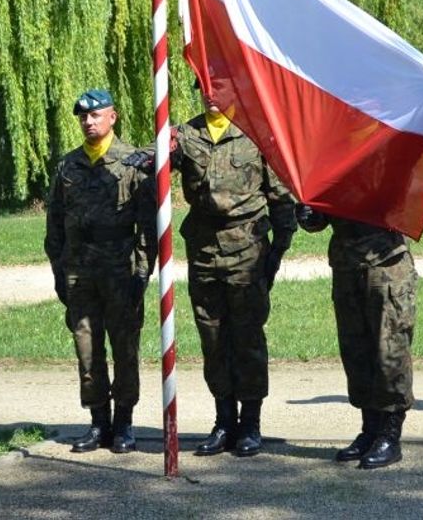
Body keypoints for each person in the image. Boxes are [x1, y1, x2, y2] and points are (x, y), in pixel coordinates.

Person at [126, 83, 296, 457]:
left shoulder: (256, 135)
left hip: (247, 252)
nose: (211, 95)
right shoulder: (188, 134)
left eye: (219, 88)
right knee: (213, 339)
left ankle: (250, 423)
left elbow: (280, 198)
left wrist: (277, 251)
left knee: (247, 337)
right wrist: (153, 153)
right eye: (204, 88)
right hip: (204, 252)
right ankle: (224, 421)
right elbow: (158, 152)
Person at [45, 88, 155, 454]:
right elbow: (55, 226)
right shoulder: (67, 166)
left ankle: (124, 423)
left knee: (125, 349)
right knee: (87, 350)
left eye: (96, 115)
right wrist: (60, 272)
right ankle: (98, 423)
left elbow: (148, 227)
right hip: (80, 273)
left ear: (113, 117)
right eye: (83, 117)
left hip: (120, 272)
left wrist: (141, 272)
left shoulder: (134, 164)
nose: (89, 122)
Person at [294, 206, 417, 469]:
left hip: (386, 261)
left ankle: (389, 435)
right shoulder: (328, 165)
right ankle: (370, 430)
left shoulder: (387, 163)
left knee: (390, 349)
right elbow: (319, 215)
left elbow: (411, 199)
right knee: (355, 350)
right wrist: (310, 215)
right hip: (346, 262)